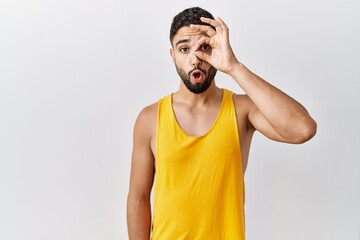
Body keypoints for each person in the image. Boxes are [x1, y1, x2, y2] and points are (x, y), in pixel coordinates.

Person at [127, 6, 317, 240]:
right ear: (172, 55)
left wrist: (233, 67)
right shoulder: (149, 118)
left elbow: (303, 129)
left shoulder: (241, 110)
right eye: (184, 49)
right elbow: (138, 197)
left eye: (204, 47)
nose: (195, 59)